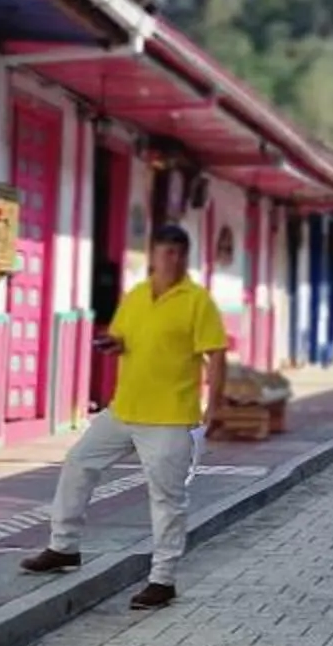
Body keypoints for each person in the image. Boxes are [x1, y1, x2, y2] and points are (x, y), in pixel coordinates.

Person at [19, 225, 226, 610]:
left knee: (166, 499)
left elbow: (216, 356)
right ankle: (63, 547)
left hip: (169, 416)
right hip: (124, 409)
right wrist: (115, 344)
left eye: (180, 253)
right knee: (79, 462)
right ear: (153, 255)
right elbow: (125, 337)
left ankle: (162, 579)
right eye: (167, 252)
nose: (173, 259)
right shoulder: (136, 295)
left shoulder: (198, 301)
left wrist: (213, 409)